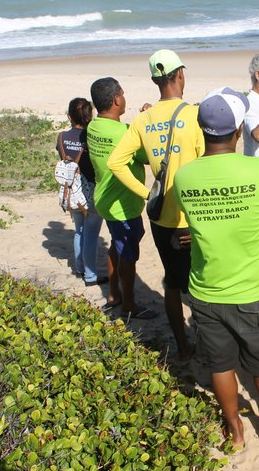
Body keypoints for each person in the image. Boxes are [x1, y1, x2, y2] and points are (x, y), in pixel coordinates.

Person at [174, 87, 259, 448]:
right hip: (254, 289)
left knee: (220, 364)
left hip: (206, 289)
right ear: (238, 131)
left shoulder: (185, 177)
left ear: (202, 131)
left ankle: (235, 430)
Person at [107, 49, 204, 360]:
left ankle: (182, 345)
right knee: (202, 283)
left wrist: (145, 192)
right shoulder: (195, 114)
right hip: (195, 216)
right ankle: (206, 339)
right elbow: (205, 167)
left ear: (154, 80)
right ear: (179, 75)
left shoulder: (143, 119)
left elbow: (115, 162)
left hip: (161, 215)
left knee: (173, 284)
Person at [87, 77, 157, 319]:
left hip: (105, 199)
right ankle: (129, 305)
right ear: (117, 99)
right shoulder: (124, 133)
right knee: (128, 253)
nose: (124, 98)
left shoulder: (94, 127)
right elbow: (148, 156)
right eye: (123, 94)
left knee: (116, 245)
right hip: (123, 204)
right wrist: (147, 122)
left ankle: (113, 295)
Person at [57, 97, 105, 286]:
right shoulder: (91, 137)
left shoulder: (61, 137)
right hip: (90, 189)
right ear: (90, 115)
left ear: (69, 116)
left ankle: (79, 267)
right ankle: (91, 275)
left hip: (71, 190)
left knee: (79, 231)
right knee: (91, 234)